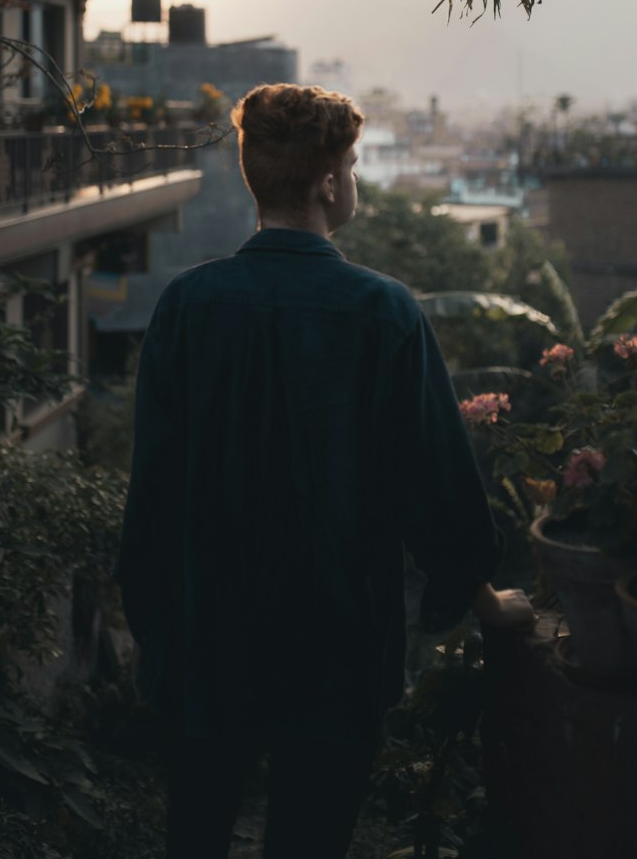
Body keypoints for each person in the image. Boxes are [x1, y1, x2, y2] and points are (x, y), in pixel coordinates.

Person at [116, 83, 535, 859]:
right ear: (328, 182)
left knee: (196, 833)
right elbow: (435, 484)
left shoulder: (187, 307)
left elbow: (156, 487)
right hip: (335, 645)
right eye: (350, 163)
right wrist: (485, 599)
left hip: (209, 641)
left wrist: (158, 629)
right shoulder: (382, 312)